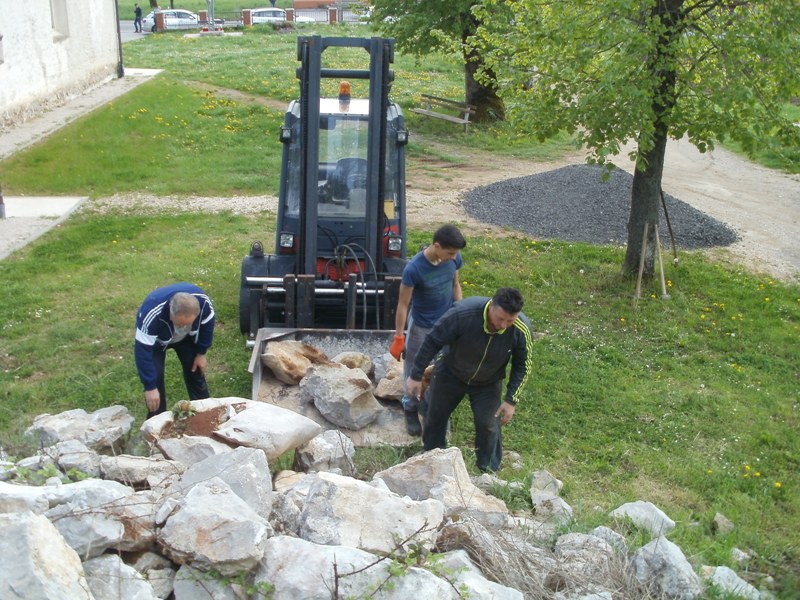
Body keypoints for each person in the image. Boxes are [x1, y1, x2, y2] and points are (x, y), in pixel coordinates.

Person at [406, 287, 533, 472]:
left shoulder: (521, 329)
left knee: (489, 425)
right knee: (435, 416)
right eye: (500, 318)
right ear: (491, 306)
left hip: (488, 382)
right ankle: (432, 458)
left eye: (510, 320)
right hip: (450, 372)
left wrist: (511, 400)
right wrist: (416, 375)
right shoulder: (462, 314)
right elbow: (432, 340)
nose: (504, 325)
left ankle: (488, 471)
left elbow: (523, 365)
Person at [390, 224, 466, 436]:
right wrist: (398, 336)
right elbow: (403, 304)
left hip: (446, 322)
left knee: (444, 366)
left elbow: (455, 285)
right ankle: (410, 407)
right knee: (414, 367)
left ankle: (431, 402)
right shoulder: (414, 269)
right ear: (436, 246)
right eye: (450, 252)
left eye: (456, 253)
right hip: (421, 327)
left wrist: (459, 311)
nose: (454, 257)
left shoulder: (453, 259)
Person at [135, 282, 215, 418]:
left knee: (195, 370)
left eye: (188, 324)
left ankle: (204, 413)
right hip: (157, 342)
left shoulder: (204, 304)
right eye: (180, 324)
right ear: (170, 313)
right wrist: (150, 387)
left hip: (186, 340)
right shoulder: (152, 313)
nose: (183, 327)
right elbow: (142, 351)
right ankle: (156, 420)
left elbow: (207, 327)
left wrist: (201, 353)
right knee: (156, 377)